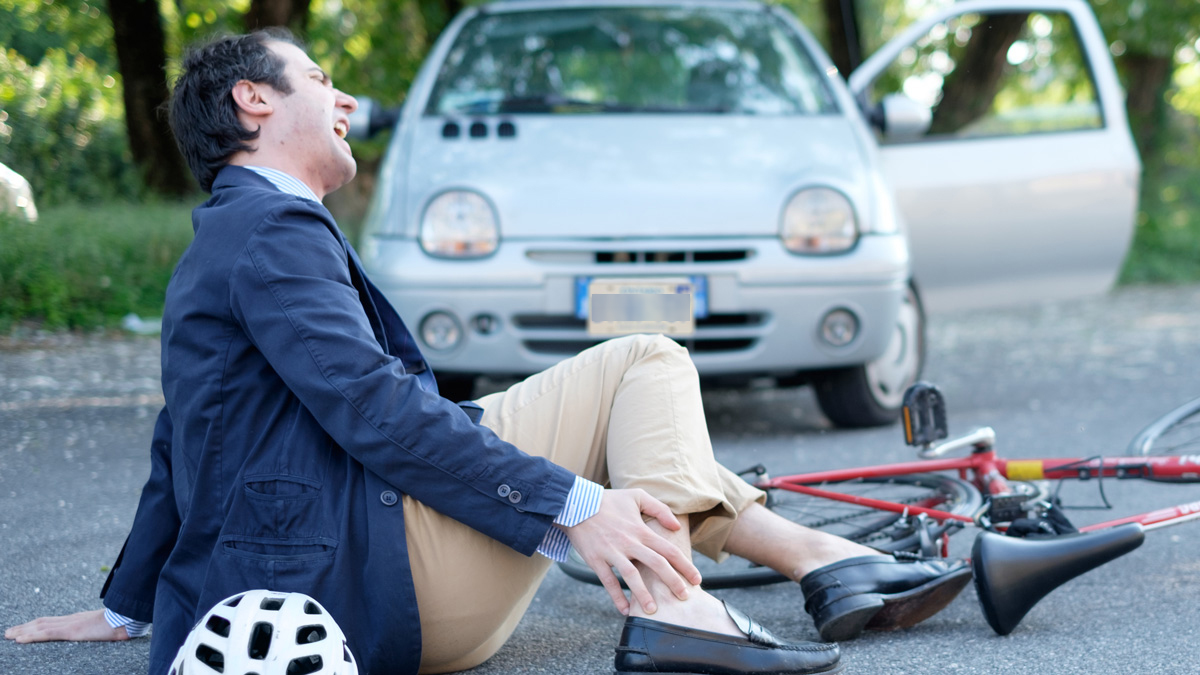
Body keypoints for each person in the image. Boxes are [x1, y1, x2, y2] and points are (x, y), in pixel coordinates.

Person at [4, 29, 971, 675]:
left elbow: (188, 435)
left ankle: (824, 559)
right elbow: (375, 408)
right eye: (322, 81)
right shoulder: (270, 230)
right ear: (254, 100)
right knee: (646, 363)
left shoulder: (231, 235)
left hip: (381, 579)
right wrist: (571, 503)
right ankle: (687, 615)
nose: (346, 103)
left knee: (634, 409)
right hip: (386, 588)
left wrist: (135, 605)